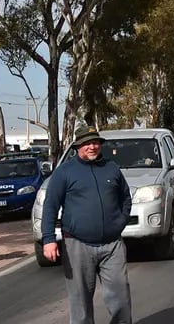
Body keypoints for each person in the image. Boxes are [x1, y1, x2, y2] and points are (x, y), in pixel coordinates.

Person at [41, 126, 133, 324]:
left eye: (95, 142)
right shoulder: (64, 172)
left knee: (121, 297)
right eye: (87, 143)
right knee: (80, 302)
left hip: (112, 245)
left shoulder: (111, 168)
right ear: (77, 146)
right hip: (77, 244)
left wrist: (120, 221)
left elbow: (125, 197)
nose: (92, 147)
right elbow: (50, 206)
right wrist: (48, 240)